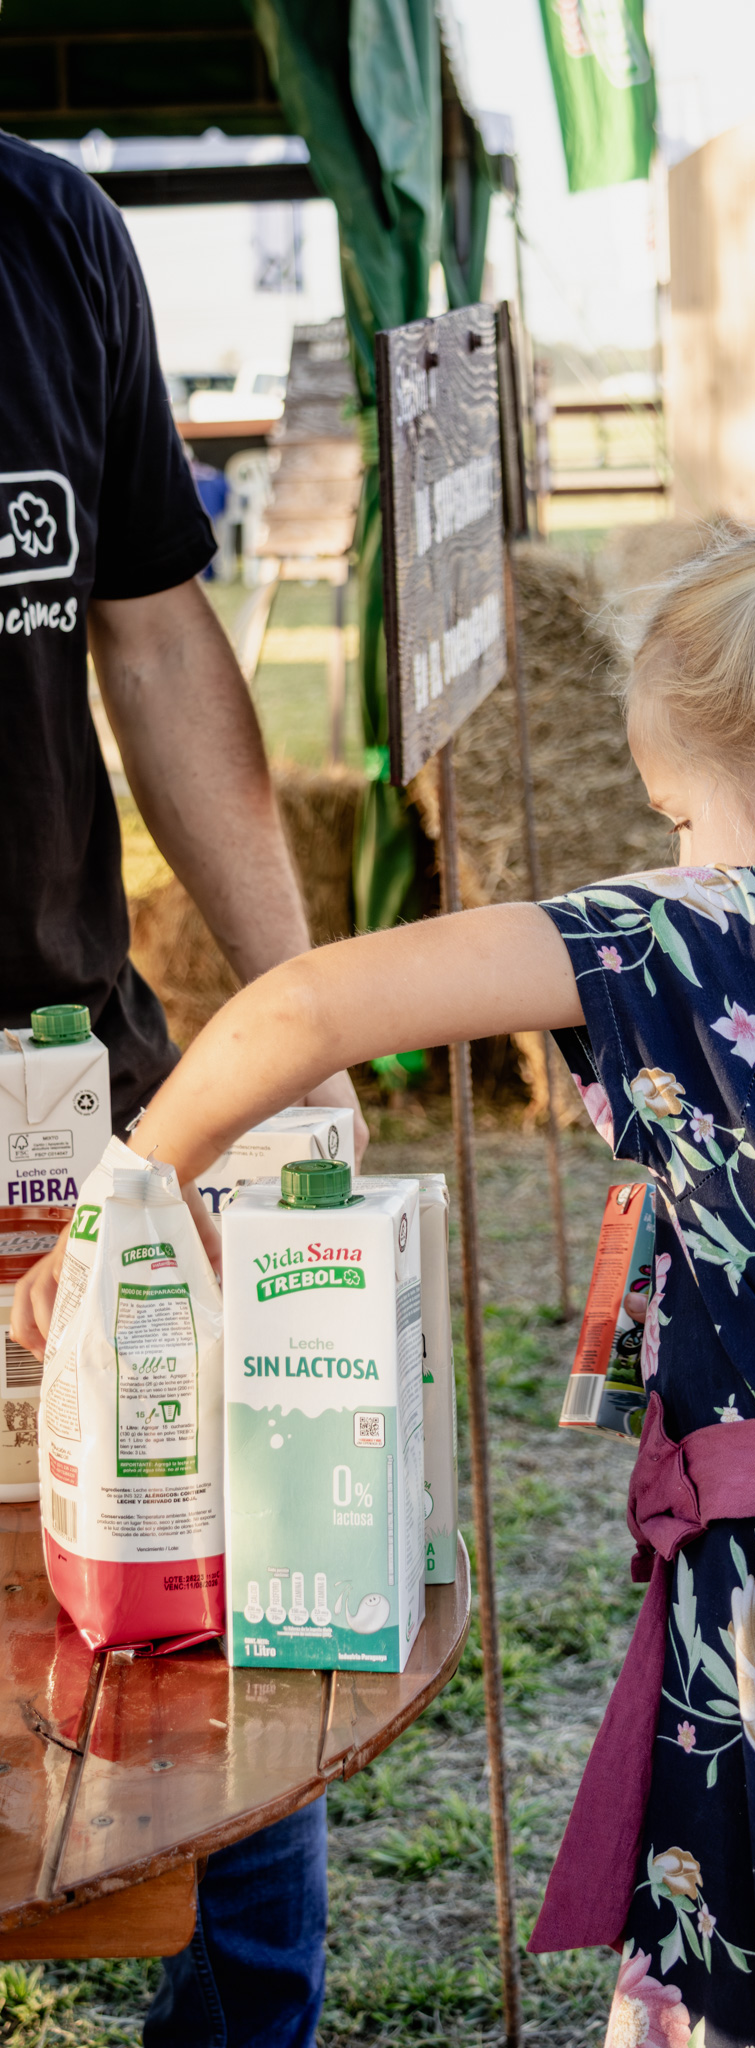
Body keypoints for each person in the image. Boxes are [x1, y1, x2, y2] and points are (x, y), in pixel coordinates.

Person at [46, 499, 755, 2044]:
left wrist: (128, 1189)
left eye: (675, 819)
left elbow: (304, 1010)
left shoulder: (705, 940)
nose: (672, 856)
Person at [1, 130, 366, 2047]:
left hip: (74, 1079)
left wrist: (297, 1014)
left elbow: (149, 632)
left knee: (211, 1601)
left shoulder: (46, 225)